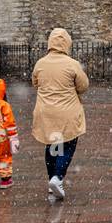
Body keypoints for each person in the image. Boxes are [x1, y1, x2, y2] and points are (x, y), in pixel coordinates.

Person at [32, 28, 89, 201]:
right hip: (67, 111)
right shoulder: (72, 64)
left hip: (46, 112)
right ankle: (58, 177)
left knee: (53, 145)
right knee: (68, 144)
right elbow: (83, 86)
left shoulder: (40, 63)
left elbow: (35, 83)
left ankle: (52, 180)